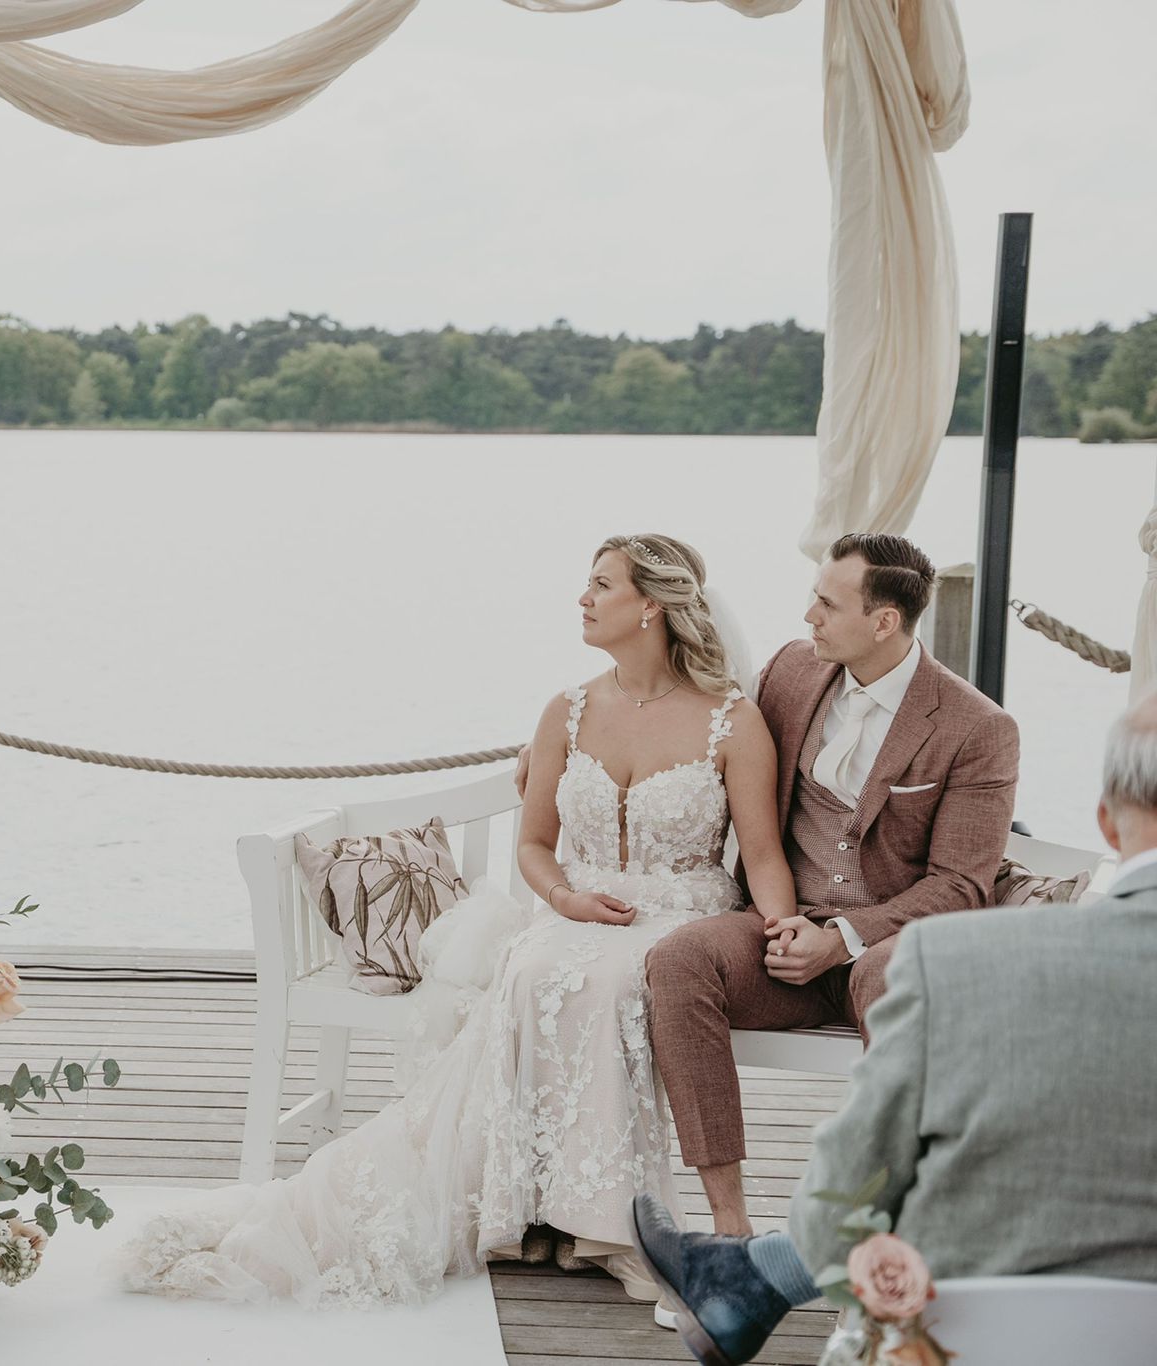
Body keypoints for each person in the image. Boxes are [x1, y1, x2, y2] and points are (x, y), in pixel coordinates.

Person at [124, 534, 795, 1307]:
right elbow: (536, 846)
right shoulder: (567, 712)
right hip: (579, 910)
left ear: (651, 606)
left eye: (601, 584)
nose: (582, 597)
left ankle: (613, 1227)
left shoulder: (729, 721)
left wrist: (780, 931)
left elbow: (765, 857)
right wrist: (568, 900)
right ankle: (537, 1211)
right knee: (536, 969)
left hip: (681, 917)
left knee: (613, 984)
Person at [631, 694, 1157, 1366]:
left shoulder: (959, 962)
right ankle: (744, 1273)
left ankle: (748, 1279)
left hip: (976, 1341)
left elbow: (850, 1190)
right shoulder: (796, 677)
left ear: (1108, 824)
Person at [644, 533, 1018, 1238]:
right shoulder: (790, 672)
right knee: (679, 959)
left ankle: (890, 1228)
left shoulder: (977, 727)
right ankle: (730, 1229)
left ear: (884, 622)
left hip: (886, 946)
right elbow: (696, 729)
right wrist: (562, 759)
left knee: (897, 980)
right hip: (779, 931)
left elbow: (962, 885)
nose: (807, 614)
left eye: (826, 602)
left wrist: (843, 938)